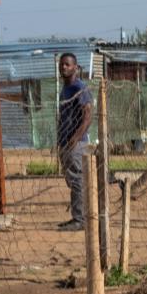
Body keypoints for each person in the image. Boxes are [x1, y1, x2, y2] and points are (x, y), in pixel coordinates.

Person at [55, 50, 92, 231]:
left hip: (75, 144)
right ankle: (78, 216)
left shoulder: (80, 88)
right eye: (62, 64)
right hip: (65, 143)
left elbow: (87, 116)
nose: (64, 67)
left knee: (77, 179)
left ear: (75, 67)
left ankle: (80, 219)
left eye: (67, 64)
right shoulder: (65, 89)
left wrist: (75, 139)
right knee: (72, 180)